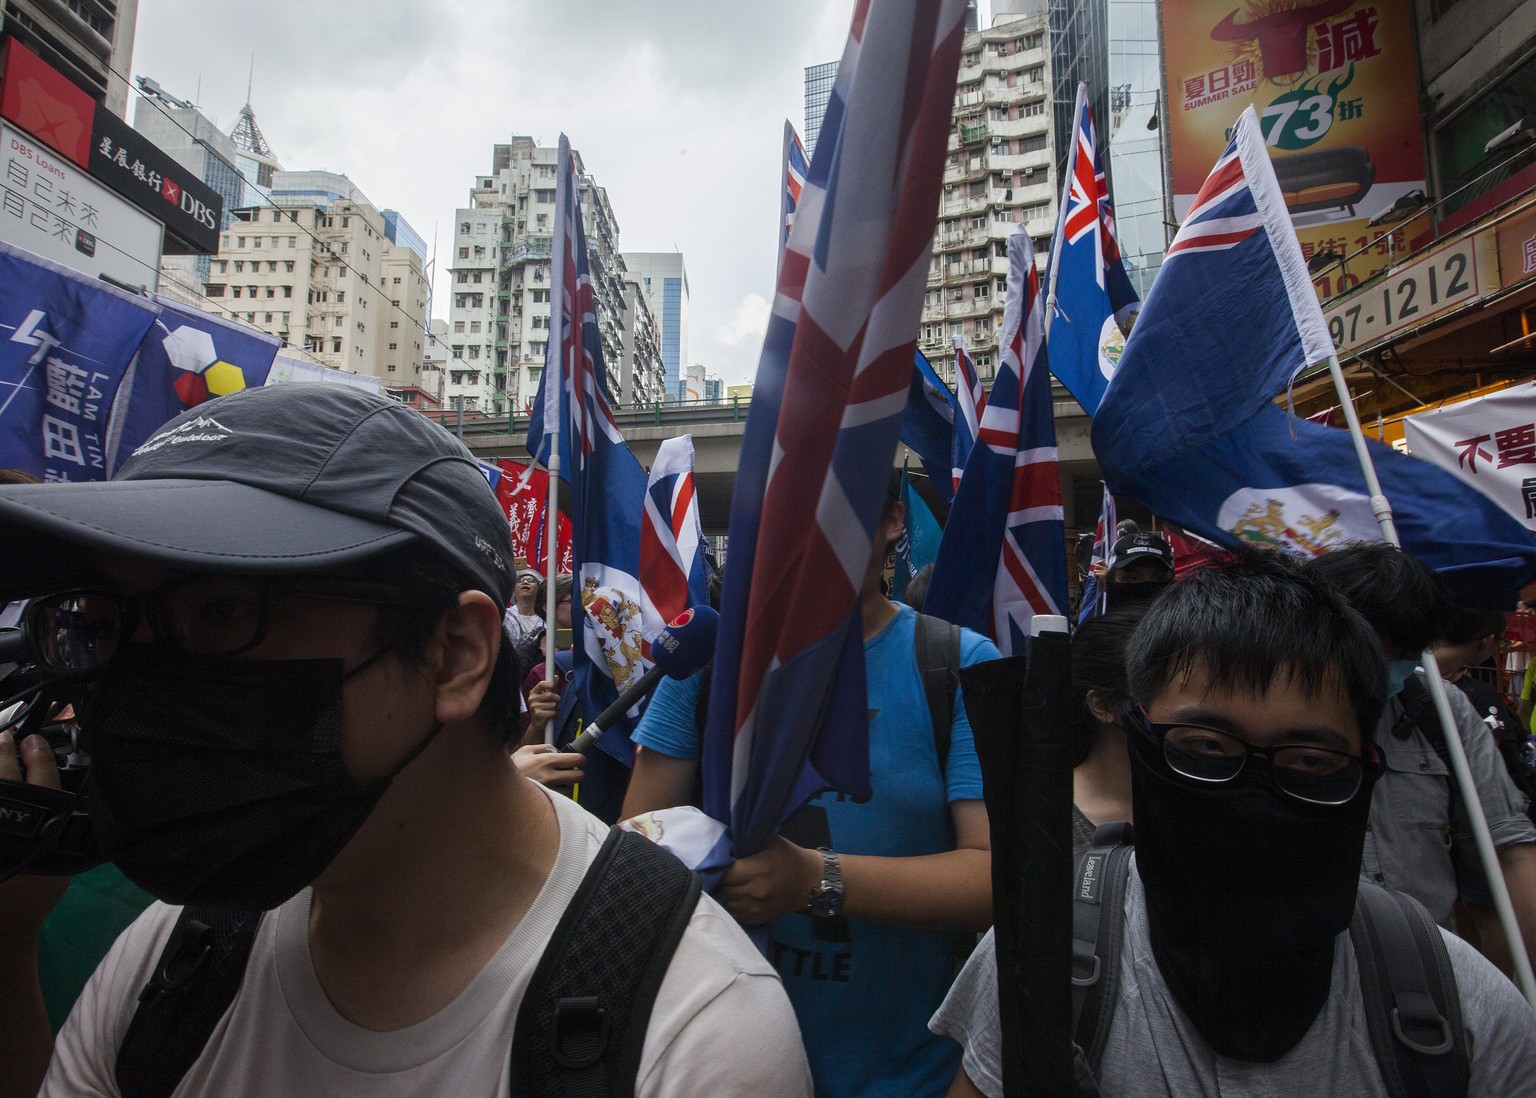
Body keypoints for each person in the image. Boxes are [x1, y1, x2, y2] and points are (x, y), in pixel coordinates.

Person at [0, 385, 809, 1098]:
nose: (143, 687)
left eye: (223, 612)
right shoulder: (173, 958)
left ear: (454, 653)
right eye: (103, 627)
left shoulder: (690, 1033)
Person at [933, 551, 1536, 1097]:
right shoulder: (1044, 957)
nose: (1251, 792)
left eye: (1308, 762)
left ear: (1364, 762)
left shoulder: (1465, 1008)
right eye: (1207, 749)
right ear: (1136, 732)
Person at [622, 488, 1000, 1098]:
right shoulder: (711, 664)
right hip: (717, 1072)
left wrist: (814, 880)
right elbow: (638, 858)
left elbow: (991, 879)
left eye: (840, 508)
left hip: (909, 1077)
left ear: (891, 521)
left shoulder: (958, 663)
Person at [1307, 544, 1536, 975]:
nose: (1385, 667)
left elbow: (1507, 849)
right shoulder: (1259, 712)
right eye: (1372, 649)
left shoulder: (1440, 709)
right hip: (1308, 976)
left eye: (1404, 652)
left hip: (1427, 977)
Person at [1099, 530, 1174, 613]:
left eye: (1160, 578)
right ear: (1110, 579)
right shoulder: (1097, 623)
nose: (1147, 588)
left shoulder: (1186, 623)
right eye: (1132, 578)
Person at [502, 568, 544, 646]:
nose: (525, 582)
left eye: (531, 580)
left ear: (539, 590)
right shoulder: (503, 616)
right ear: (513, 592)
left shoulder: (546, 620)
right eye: (520, 580)